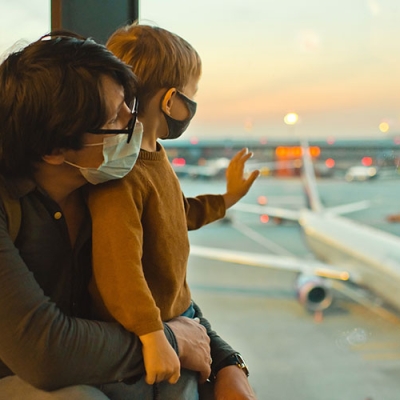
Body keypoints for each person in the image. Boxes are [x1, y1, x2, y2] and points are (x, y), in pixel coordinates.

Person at [0, 32, 219, 399]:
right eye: (117, 117)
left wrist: (228, 362)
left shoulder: (102, 185)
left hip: (98, 366)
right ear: (55, 149)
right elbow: (44, 351)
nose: (135, 121)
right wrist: (168, 340)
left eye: (129, 106)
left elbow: (166, 292)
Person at [87, 23, 259, 399]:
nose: (193, 106)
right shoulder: (123, 176)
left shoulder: (155, 158)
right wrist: (152, 334)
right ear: (170, 101)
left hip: (177, 321)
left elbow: (177, 214)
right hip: (146, 336)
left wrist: (227, 199)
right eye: (192, 95)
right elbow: (119, 269)